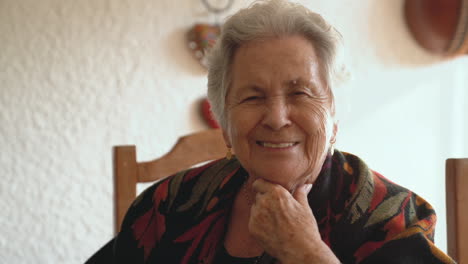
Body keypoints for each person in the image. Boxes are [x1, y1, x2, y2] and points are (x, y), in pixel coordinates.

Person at [90, 0, 455, 263]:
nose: (277, 117)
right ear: (224, 123)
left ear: (333, 117)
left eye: (300, 93)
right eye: (252, 96)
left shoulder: (389, 217)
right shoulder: (169, 206)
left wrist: (306, 253)